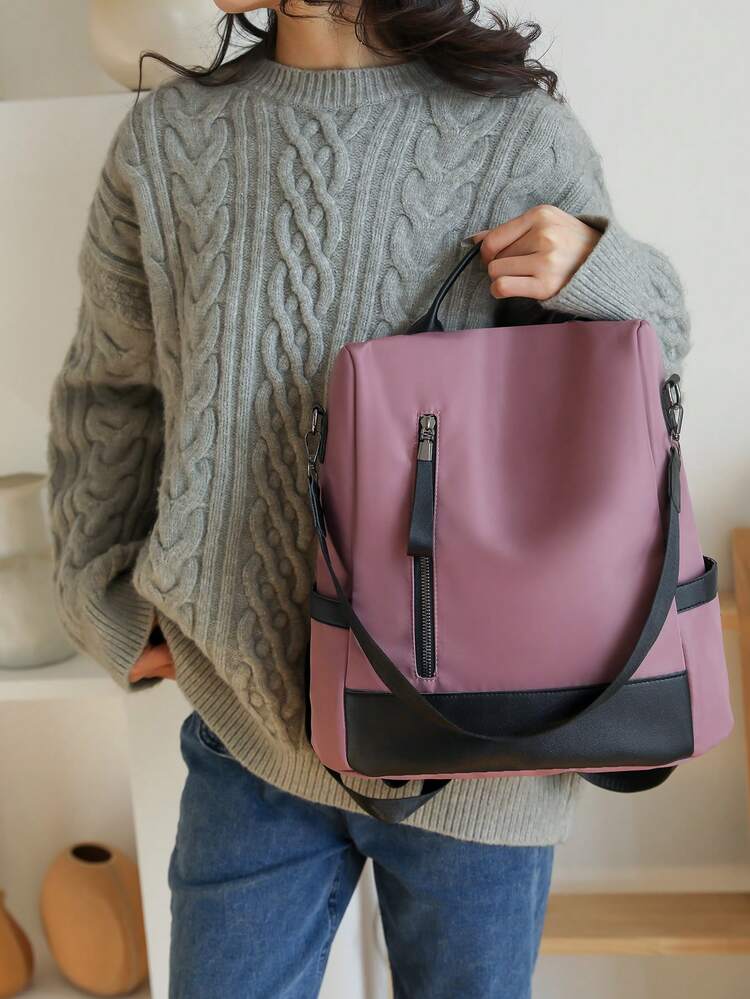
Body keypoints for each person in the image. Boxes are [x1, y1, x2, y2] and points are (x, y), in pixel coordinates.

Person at [46, 2, 690, 996]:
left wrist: (596, 265)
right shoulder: (169, 140)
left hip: (484, 742)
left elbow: (647, 371)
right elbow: (110, 392)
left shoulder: (514, 131)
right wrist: (103, 599)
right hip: (251, 727)